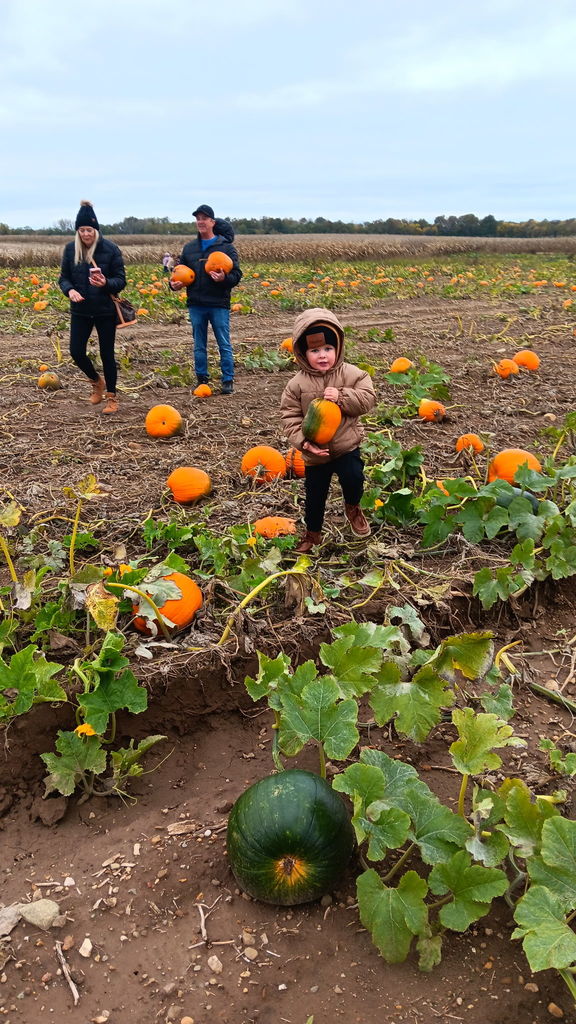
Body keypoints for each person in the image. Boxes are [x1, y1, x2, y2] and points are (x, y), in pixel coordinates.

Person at [280, 308, 376, 553]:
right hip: (315, 453)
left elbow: (368, 399)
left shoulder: (353, 374)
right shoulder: (295, 385)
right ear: (302, 352)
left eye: (327, 349)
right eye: (314, 351)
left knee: (354, 478)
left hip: (346, 446)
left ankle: (353, 507)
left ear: (338, 348)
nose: (322, 356)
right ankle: (313, 533)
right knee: (314, 497)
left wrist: (343, 396)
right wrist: (304, 443)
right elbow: (289, 417)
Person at [58, 200, 126, 414]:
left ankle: (112, 397)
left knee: (107, 354)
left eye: (89, 230)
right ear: (77, 231)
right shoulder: (71, 250)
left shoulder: (110, 249)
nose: (86, 234)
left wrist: (106, 283)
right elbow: (64, 278)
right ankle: (97, 381)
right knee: (76, 351)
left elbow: (121, 280)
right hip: (80, 310)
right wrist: (70, 290)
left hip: (104, 310)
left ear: (96, 230)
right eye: (81, 230)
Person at [169, 204, 242, 395]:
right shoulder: (190, 248)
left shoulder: (225, 247)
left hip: (218, 303)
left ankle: (228, 379)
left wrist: (224, 279)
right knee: (199, 345)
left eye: (204, 218)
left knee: (223, 343)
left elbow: (236, 275)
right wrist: (174, 285)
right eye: (197, 219)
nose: (200, 222)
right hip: (196, 303)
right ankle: (202, 379)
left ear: (212, 222)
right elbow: (179, 273)